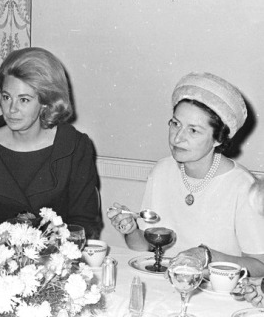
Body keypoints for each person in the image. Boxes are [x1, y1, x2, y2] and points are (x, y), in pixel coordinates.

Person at [108, 72, 264, 276]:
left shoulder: (242, 185)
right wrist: (130, 230)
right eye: (175, 124)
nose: (178, 138)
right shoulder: (162, 170)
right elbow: (144, 247)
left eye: (193, 130)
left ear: (218, 138)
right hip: (167, 286)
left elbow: (260, 266)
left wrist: (206, 256)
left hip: (218, 295)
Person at [0, 47, 102, 238]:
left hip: (59, 262)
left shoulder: (74, 147)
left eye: (24, 100)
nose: (11, 109)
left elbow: (83, 225)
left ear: (46, 102)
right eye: (6, 97)